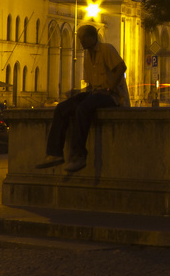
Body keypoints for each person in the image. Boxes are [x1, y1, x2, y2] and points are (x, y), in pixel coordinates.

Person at [37, 24, 129, 173]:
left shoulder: (106, 49)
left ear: (93, 37)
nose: (81, 41)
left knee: (83, 108)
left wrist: (110, 88)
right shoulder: (88, 56)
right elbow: (92, 86)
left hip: (112, 96)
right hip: (96, 93)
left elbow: (121, 67)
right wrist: (77, 93)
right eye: (79, 38)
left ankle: (79, 155)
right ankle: (54, 153)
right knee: (62, 108)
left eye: (83, 38)